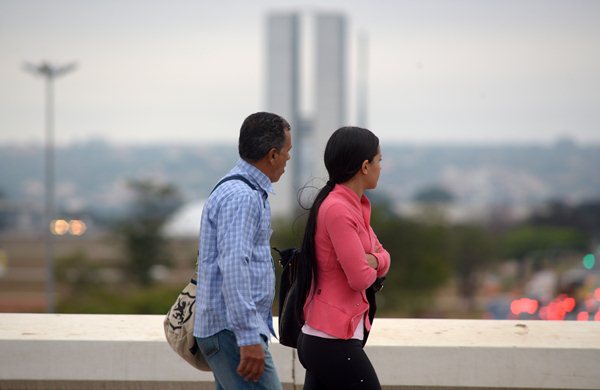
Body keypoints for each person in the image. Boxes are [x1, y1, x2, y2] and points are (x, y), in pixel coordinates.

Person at [194, 112, 292, 389]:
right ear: (273, 155)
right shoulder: (242, 196)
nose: (288, 159)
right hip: (233, 332)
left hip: (229, 330)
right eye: (288, 151)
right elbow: (234, 266)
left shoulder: (240, 188)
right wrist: (248, 337)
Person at [295, 126, 390, 389]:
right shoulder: (338, 209)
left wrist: (374, 260)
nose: (381, 166)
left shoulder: (354, 206)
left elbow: (384, 256)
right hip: (330, 339)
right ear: (365, 166)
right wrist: (373, 261)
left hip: (328, 338)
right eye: (379, 160)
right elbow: (359, 278)